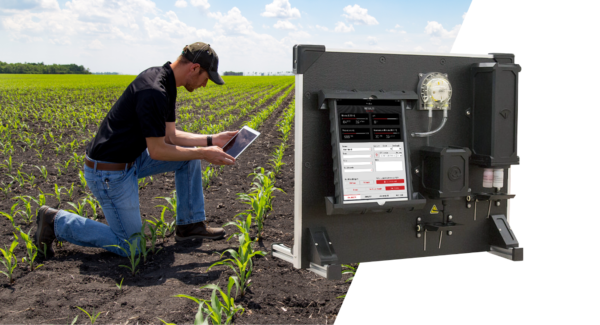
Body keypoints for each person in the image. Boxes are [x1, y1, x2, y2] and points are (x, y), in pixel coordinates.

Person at [34, 42, 237, 257]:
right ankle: (56, 222)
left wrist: (212, 139)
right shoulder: (154, 90)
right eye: (206, 78)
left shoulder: (166, 82)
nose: (205, 85)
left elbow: (170, 136)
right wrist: (204, 153)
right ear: (194, 68)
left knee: (189, 159)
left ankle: (190, 225)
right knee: (133, 247)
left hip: (131, 159)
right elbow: (158, 151)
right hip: (109, 173)